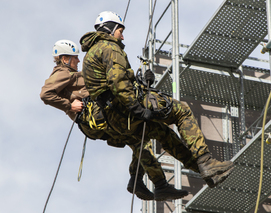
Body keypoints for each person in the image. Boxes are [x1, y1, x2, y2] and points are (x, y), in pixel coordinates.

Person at [80, 11, 234, 188]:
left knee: (165, 135)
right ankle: (206, 162)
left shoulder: (90, 55)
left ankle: (207, 173)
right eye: (120, 30)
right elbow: (118, 82)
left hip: (116, 118)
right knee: (182, 111)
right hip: (126, 108)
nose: (122, 35)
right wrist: (137, 109)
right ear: (110, 29)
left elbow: (108, 86)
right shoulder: (110, 48)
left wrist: (141, 83)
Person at [40, 39, 202, 201]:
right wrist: (69, 105)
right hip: (96, 118)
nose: (77, 60)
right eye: (74, 58)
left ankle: (141, 181)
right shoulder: (62, 73)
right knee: (141, 136)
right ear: (64, 59)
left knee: (138, 139)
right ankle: (155, 183)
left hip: (98, 117)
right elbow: (46, 93)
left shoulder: (72, 74)